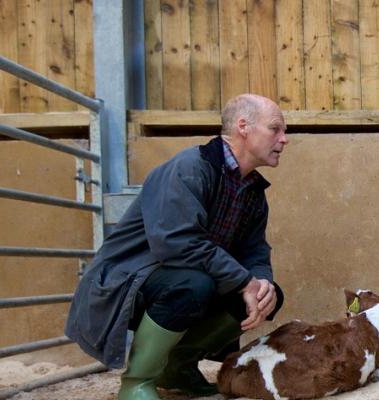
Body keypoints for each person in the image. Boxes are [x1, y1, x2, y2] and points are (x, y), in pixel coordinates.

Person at [65, 94, 289, 400]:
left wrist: (261, 282)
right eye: (275, 129)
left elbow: (255, 252)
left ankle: (177, 368)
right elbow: (176, 244)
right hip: (126, 283)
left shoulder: (252, 191)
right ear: (243, 127)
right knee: (194, 284)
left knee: (267, 294)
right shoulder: (189, 168)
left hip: (178, 279)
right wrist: (243, 281)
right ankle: (136, 383)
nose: (283, 139)